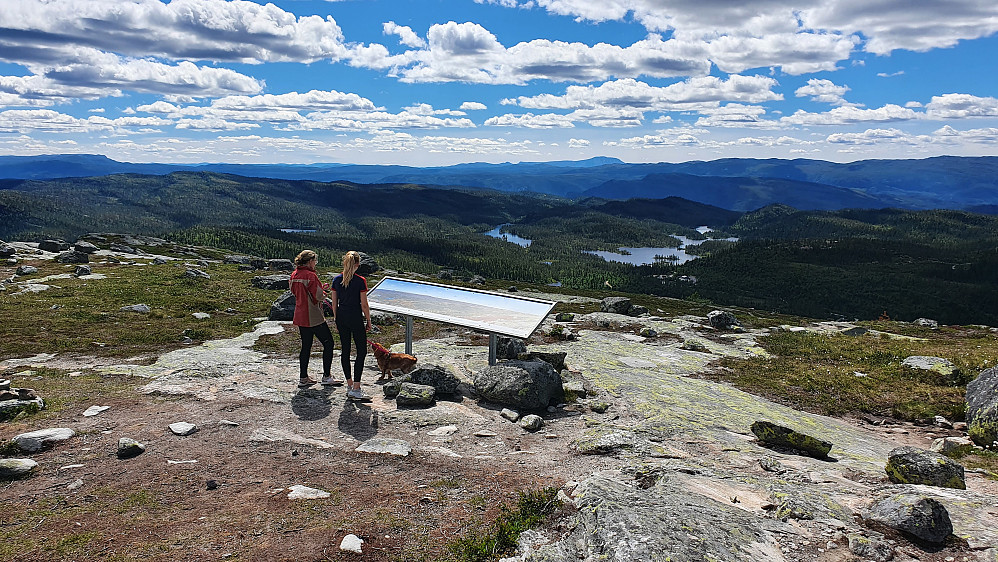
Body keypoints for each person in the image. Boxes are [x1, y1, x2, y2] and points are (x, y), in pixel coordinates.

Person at [290, 250, 336, 388]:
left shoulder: (294, 274)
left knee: (306, 346)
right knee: (328, 343)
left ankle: (303, 378)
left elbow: (293, 291)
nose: (315, 264)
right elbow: (319, 295)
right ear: (310, 261)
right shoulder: (311, 276)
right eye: (315, 261)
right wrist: (324, 293)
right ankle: (327, 376)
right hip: (313, 315)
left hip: (300, 314)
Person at [331, 250, 373, 400]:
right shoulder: (360, 280)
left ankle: (349, 384)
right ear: (357, 265)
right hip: (355, 317)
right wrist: (368, 320)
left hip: (342, 317)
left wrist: (336, 319)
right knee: (361, 351)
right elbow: (364, 305)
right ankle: (356, 387)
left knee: (346, 350)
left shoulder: (336, 280)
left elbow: (334, 304)